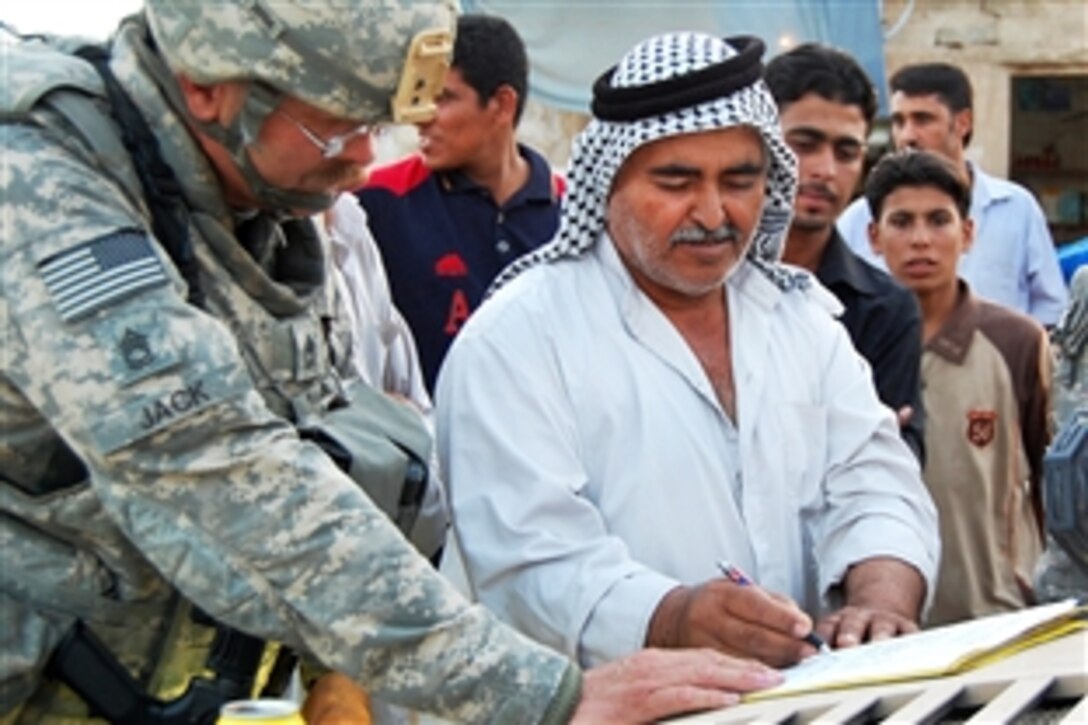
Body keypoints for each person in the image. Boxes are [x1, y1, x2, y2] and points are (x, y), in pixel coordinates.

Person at [0, 3, 787, 722]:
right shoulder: (37, 185)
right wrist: (538, 694)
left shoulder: (246, 198)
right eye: (339, 128)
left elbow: (322, 435)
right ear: (210, 88)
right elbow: (208, 463)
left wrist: (335, 664)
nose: (364, 159)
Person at [436, 32, 939, 671]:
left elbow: (876, 480)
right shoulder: (518, 338)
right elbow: (526, 558)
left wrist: (881, 595)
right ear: (608, 180)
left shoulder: (801, 321)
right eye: (676, 181)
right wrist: (671, 617)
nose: (712, 212)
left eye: (739, 180)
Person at [864, 150, 1052, 626]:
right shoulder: (846, 345)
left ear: (967, 234)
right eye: (901, 222)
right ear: (873, 237)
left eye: (939, 220)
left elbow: (1052, 481)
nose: (921, 240)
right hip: (887, 630)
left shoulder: (1018, 342)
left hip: (999, 618)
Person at [357, 13, 564, 392]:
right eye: (418, 98)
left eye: (441, 99)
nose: (420, 118)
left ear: (502, 104)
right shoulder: (376, 203)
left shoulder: (576, 215)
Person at [764, 43, 925, 461]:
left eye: (846, 152)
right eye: (804, 144)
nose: (825, 170)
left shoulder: (885, 310)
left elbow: (892, 463)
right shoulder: (701, 284)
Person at [836, 62, 1068, 327]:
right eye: (899, 121)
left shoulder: (1016, 208)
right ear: (875, 235)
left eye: (923, 119)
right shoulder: (859, 219)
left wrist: (1017, 354)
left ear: (962, 123)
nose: (908, 135)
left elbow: (1051, 309)